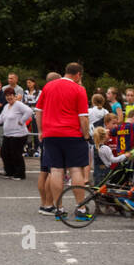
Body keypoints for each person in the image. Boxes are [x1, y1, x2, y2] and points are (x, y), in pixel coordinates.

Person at [37, 63, 91, 219]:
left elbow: (38, 111)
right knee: (75, 170)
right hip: (72, 133)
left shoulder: (49, 86)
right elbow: (83, 117)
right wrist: (86, 135)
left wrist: (41, 131)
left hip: (51, 133)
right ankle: (80, 208)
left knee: (56, 170)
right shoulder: (79, 89)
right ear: (78, 74)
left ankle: (59, 208)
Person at [0, 86, 32, 180]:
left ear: (14, 96)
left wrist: (22, 121)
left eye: (11, 95)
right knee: (4, 153)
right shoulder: (6, 106)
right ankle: (9, 172)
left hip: (19, 135)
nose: (9, 97)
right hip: (8, 134)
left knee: (16, 153)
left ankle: (20, 174)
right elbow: (0, 119)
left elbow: (29, 111)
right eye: (7, 96)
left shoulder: (18, 104)